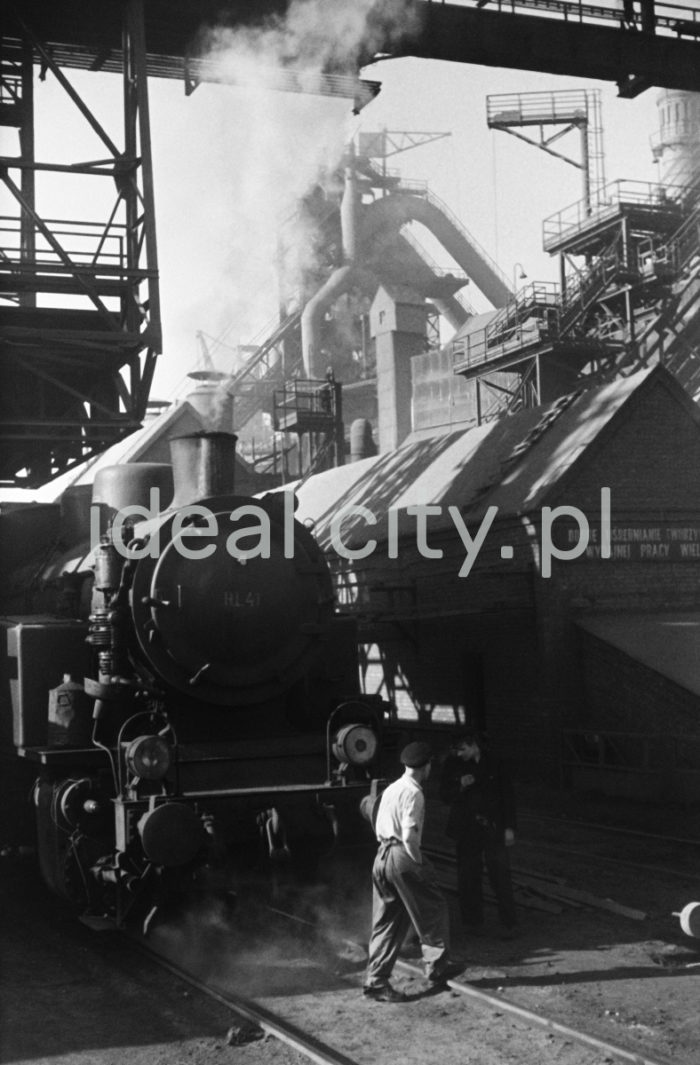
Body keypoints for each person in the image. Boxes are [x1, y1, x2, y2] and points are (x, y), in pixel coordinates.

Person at [363, 741, 463, 1002]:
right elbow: (409, 835)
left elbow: (377, 822)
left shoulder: (392, 788)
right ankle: (436, 967)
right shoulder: (415, 793)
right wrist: (418, 862)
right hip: (401, 855)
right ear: (425, 766)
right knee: (433, 909)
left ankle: (376, 982)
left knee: (387, 921)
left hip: (381, 856)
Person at [438, 729, 519, 939]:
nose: (459, 754)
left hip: (493, 827)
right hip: (466, 829)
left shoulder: (496, 763)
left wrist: (510, 827)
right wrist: (460, 786)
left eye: (462, 749)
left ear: (474, 745)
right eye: (456, 750)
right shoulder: (453, 765)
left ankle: (509, 924)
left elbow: (507, 796)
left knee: (500, 875)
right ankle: (473, 923)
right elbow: (444, 795)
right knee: (467, 877)